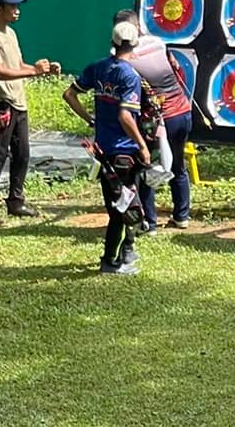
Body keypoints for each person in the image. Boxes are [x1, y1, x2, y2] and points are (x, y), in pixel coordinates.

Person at [63, 20, 169, 275]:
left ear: (113, 42)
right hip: (124, 152)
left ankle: (125, 253)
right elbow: (125, 116)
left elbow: (69, 94)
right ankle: (110, 262)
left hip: (104, 150)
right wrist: (143, 146)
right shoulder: (129, 75)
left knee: (123, 204)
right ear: (134, 44)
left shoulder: (98, 68)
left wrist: (89, 119)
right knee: (122, 208)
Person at [0, 0, 59, 224]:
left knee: (22, 154)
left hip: (18, 103)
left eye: (18, 6)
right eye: (12, 6)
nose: (17, 11)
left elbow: (18, 64)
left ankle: (16, 201)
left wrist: (41, 69)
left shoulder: (10, 33)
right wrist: (34, 72)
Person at [115, 7, 195, 231]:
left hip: (159, 120)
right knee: (178, 166)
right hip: (183, 112)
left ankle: (149, 222)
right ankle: (181, 217)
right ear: (138, 27)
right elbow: (176, 68)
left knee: (145, 165)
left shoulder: (124, 59)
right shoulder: (158, 42)